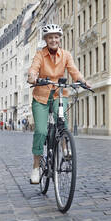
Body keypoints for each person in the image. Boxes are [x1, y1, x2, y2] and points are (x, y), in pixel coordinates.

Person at [27, 24, 89, 184]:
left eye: (56, 37)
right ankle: (35, 167)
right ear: (46, 40)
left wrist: (82, 81)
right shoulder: (40, 54)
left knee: (62, 122)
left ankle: (64, 148)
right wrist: (33, 77)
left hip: (59, 94)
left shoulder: (66, 55)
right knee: (41, 131)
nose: (53, 40)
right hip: (40, 97)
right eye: (50, 37)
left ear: (59, 39)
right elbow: (34, 69)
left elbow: (73, 71)